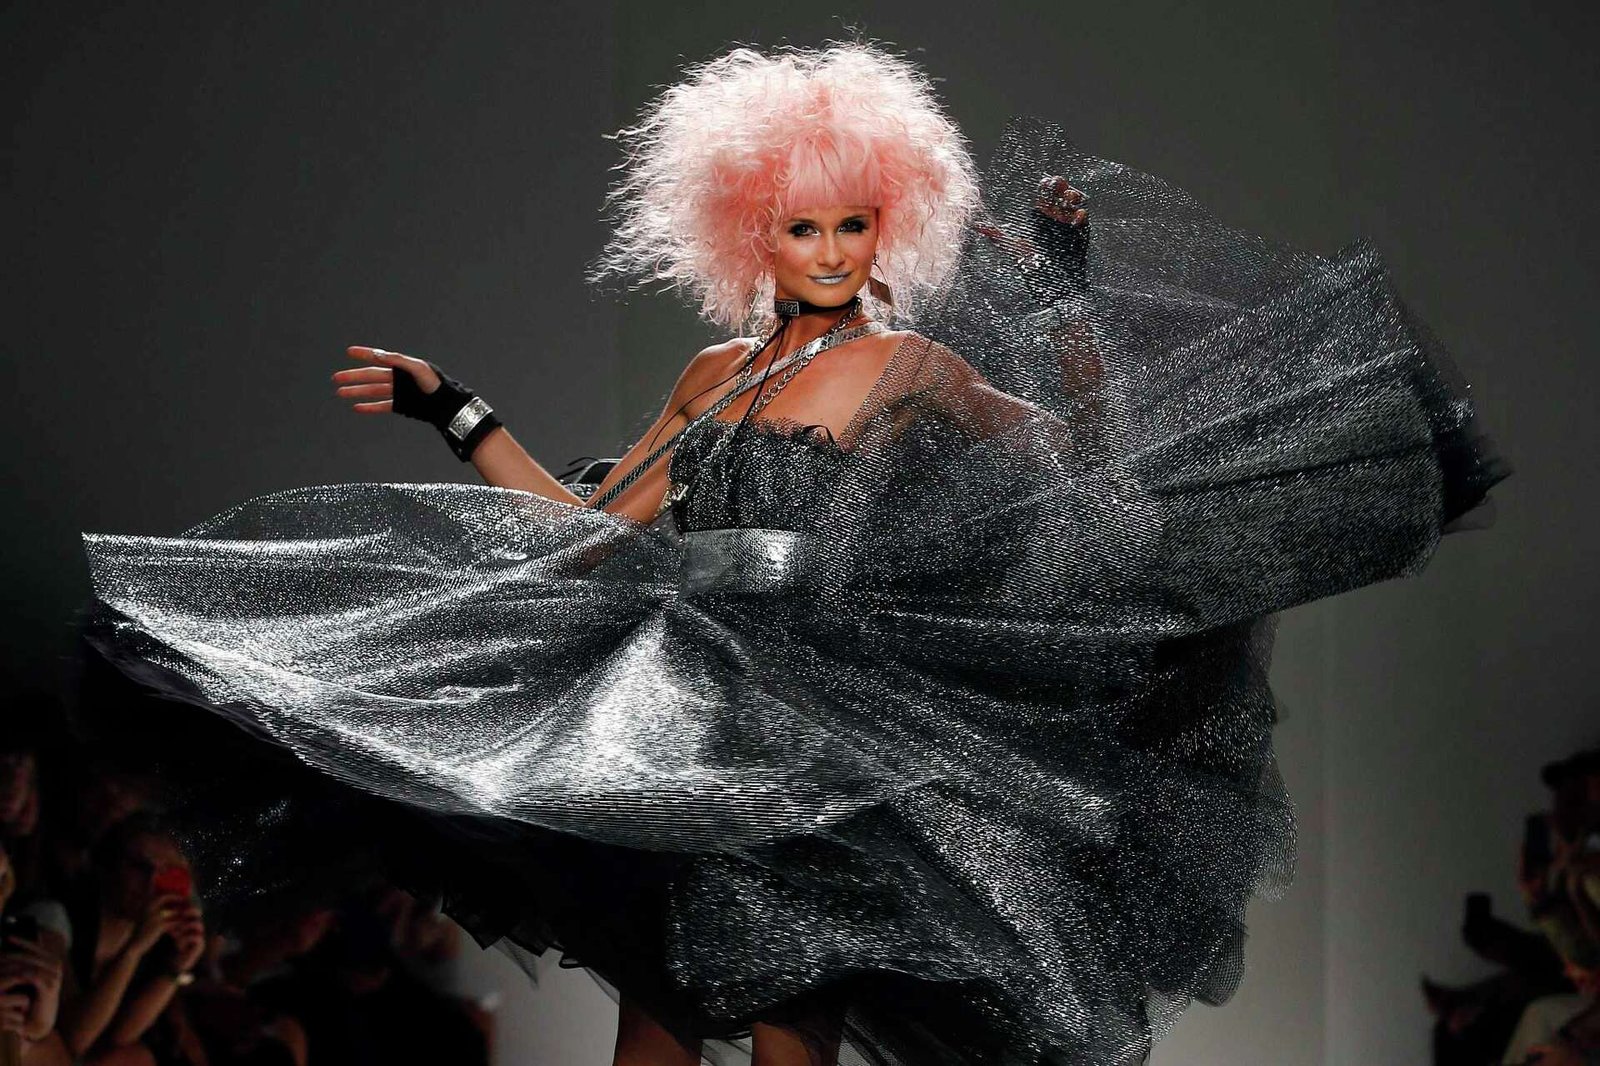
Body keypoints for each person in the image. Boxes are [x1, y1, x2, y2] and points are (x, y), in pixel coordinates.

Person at [79, 39, 1506, 1066]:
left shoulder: (912, 366)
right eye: (800, 225)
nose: (829, 249)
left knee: (788, 1020)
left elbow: (1077, 467)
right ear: (750, 231)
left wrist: (1065, 303)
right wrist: (453, 407)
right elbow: (591, 527)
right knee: (654, 1014)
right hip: (675, 709)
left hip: (821, 719)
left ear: (888, 222)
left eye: (853, 223)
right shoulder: (714, 376)